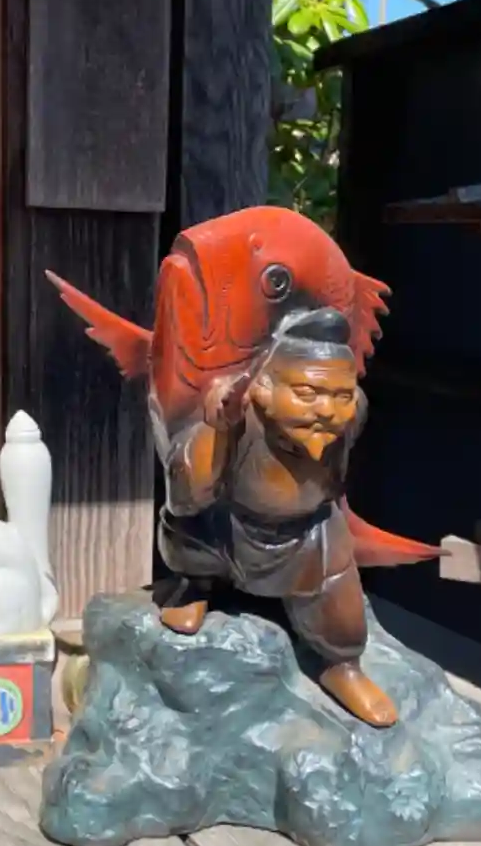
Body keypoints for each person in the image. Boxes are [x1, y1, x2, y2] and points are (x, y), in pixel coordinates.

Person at [154, 307, 396, 726]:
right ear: (262, 389)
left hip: (307, 535)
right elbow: (184, 494)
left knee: (343, 620)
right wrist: (220, 429)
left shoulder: (349, 417)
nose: (326, 410)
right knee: (187, 531)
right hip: (228, 531)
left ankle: (341, 666)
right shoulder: (238, 415)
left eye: (341, 396)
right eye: (307, 393)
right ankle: (195, 586)